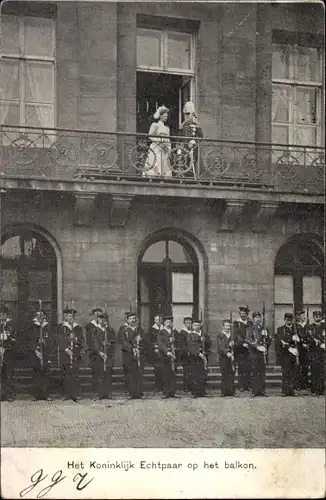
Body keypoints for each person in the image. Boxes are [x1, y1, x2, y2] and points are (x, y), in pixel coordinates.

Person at [86, 310, 116, 400]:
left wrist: (109, 346)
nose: (103, 321)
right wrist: (100, 352)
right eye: (101, 319)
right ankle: (101, 393)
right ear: (98, 320)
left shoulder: (110, 330)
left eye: (104, 319)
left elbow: (113, 341)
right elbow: (94, 342)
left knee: (108, 374)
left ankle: (108, 393)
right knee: (100, 374)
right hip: (98, 355)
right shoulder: (95, 330)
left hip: (108, 355)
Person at [57, 308, 84, 402]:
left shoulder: (77, 327)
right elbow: (59, 339)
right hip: (65, 353)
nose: (70, 318)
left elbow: (81, 340)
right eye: (68, 316)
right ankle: (65, 394)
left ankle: (74, 394)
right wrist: (66, 348)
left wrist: (75, 339)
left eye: (72, 316)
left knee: (75, 373)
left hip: (75, 353)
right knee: (65, 373)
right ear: (65, 317)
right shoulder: (62, 327)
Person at [118, 312, 146, 399]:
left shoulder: (140, 330)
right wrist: (132, 348)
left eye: (134, 318)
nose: (133, 320)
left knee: (139, 373)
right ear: (127, 320)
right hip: (129, 355)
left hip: (139, 354)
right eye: (131, 319)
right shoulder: (124, 331)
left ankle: (139, 392)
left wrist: (141, 340)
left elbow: (145, 341)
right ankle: (132, 393)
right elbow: (123, 342)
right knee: (131, 374)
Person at [246, 311, 271, 397]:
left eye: (259, 317)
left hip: (262, 354)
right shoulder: (250, 328)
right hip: (254, 354)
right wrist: (257, 346)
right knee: (255, 373)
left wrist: (266, 339)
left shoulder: (264, 328)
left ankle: (262, 391)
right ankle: (255, 391)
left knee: (262, 373)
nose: (258, 319)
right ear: (253, 319)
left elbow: (268, 340)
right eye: (256, 317)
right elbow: (249, 340)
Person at [143, 106, 172, 177]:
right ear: (161, 116)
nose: (166, 117)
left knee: (164, 162)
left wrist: (168, 147)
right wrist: (159, 141)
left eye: (167, 116)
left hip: (164, 148)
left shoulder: (167, 128)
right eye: (165, 116)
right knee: (156, 161)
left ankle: (162, 176)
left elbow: (168, 139)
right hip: (156, 147)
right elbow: (150, 135)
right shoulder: (155, 125)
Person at [177, 101, 204, 177]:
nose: (187, 116)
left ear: (192, 114)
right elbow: (179, 138)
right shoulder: (183, 125)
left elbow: (201, 137)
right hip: (183, 149)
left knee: (192, 167)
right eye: (185, 114)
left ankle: (191, 179)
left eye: (188, 114)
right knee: (182, 166)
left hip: (192, 149)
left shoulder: (196, 124)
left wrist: (194, 141)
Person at [30, 309, 52, 401]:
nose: (39, 318)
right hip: (36, 353)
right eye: (38, 316)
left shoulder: (48, 326)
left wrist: (45, 342)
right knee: (36, 374)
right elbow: (30, 339)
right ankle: (37, 395)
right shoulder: (33, 326)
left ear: (45, 317)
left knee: (46, 373)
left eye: (41, 316)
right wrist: (36, 350)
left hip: (46, 353)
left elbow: (52, 339)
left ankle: (46, 394)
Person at [275, 313, 298, 397]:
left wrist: (297, 338)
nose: (289, 321)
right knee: (285, 373)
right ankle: (284, 391)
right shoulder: (280, 329)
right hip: (285, 354)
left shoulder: (295, 329)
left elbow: (300, 340)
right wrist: (286, 345)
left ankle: (292, 390)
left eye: (290, 320)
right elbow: (278, 341)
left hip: (293, 354)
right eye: (287, 320)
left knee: (293, 373)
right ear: (284, 320)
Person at [157, 316, 178, 398]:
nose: (169, 324)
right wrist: (166, 351)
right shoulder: (161, 332)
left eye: (170, 322)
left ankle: (173, 392)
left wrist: (175, 344)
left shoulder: (174, 332)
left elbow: (179, 343)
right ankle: (166, 392)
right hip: (165, 355)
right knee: (166, 373)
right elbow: (160, 343)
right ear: (164, 323)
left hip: (173, 354)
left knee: (173, 373)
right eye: (167, 322)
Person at [187, 318, 208, 398]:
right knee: (195, 375)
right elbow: (190, 346)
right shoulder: (190, 335)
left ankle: (202, 391)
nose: (196, 327)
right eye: (195, 325)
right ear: (192, 326)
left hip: (203, 357)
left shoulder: (203, 334)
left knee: (203, 374)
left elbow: (209, 344)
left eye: (198, 325)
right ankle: (195, 392)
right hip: (194, 358)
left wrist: (205, 340)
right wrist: (198, 353)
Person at [233, 306, 252, 392]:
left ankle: (247, 385)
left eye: (244, 313)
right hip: (240, 349)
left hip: (249, 349)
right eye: (241, 313)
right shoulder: (236, 323)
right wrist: (243, 343)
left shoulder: (250, 323)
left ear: (247, 314)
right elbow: (236, 335)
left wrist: (249, 343)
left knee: (248, 367)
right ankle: (241, 385)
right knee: (241, 367)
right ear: (239, 314)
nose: (243, 315)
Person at [0, 306, 16, 402]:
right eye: (0, 314)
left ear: (7, 315)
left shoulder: (11, 325)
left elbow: (14, 338)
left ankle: (9, 394)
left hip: (8, 351)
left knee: (8, 374)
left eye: (4, 314)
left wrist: (7, 338)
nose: (2, 316)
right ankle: (1, 394)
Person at [217, 319, 236, 397]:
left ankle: (231, 391)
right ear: (223, 326)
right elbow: (220, 346)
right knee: (224, 373)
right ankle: (224, 391)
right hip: (223, 357)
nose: (228, 327)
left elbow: (237, 343)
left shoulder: (232, 335)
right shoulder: (220, 335)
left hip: (232, 356)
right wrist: (226, 352)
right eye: (226, 326)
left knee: (231, 373)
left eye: (229, 326)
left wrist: (234, 344)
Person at [308, 310, 325, 396]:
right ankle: (314, 389)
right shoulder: (311, 327)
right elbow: (308, 338)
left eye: (319, 316)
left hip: (322, 352)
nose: (318, 318)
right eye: (316, 316)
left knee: (322, 370)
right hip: (314, 352)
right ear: (313, 317)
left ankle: (321, 389)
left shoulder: (324, 327)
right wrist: (313, 341)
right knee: (314, 370)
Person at [175, 316, 192, 392]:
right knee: (186, 372)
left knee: (193, 371)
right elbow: (182, 345)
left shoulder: (193, 332)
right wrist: (187, 350)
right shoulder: (182, 333)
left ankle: (192, 386)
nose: (188, 325)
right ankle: (186, 386)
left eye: (190, 323)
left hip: (193, 354)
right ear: (184, 324)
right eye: (187, 323)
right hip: (186, 355)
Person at [295, 310, 310, 391]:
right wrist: (300, 342)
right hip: (299, 349)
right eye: (302, 315)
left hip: (307, 349)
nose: (304, 317)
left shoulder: (308, 326)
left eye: (304, 315)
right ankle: (298, 385)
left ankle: (305, 384)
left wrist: (307, 343)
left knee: (306, 367)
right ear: (298, 317)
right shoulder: (296, 326)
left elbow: (310, 336)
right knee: (298, 367)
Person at [148, 315, 164, 392]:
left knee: (164, 369)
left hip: (163, 351)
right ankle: (158, 386)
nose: (159, 321)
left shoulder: (164, 329)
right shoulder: (152, 329)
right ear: (154, 321)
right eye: (157, 320)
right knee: (157, 369)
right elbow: (149, 340)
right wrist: (154, 347)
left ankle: (164, 386)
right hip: (156, 351)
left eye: (160, 320)